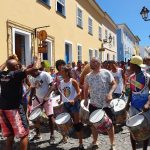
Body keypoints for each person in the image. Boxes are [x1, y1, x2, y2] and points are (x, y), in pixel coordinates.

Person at [0, 55, 40, 150]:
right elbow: (35, 68)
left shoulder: (2, 74)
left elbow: (1, 68)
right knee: (24, 135)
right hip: (14, 109)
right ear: (16, 67)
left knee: (9, 136)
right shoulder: (16, 74)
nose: (19, 66)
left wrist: (7, 61)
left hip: (3, 109)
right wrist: (37, 59)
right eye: (18, 65)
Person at [84, 57, 117, 150]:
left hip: (106, 104)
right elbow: (85, 89)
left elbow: (114, 84)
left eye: (94, 62)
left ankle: (112, 144)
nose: (92, 64)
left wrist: (110, 93)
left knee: (110, 125)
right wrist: (86, 99)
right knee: (93, 125)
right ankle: (95, 142)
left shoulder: (106, 73)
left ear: (99, 63)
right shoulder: (88, 76)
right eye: (91, 62)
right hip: (94, 104)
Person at [126, 55, 150, 150]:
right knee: (132, 129)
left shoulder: (147, 77)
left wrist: (148, 104)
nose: (129, 65)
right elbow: (131, 92)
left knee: (145, 130)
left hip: (144, 109)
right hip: (134, 108)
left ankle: (144, 149)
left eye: (130, 64)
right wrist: (127, 103)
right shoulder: (131, 77)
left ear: (135, 65)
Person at [59, 65, 84, 150]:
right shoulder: (61, 82)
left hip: (74, 104)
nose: (60, 72)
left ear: (66, 72)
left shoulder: (73, 81)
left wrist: (74, 100)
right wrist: (60, 100)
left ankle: (80, 143)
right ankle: (65, 136)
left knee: (77, 124)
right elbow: (62, 93)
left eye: (62, 71)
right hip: (66, 104)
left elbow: (79, 92)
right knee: (64, 122)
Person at [29, 68, 55, 144]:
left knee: (50, 116)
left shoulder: (45, 75)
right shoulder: (32, 77)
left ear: (35, 70)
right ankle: (38, 134)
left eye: (32, 73)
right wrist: (30, 99)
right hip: (37, 99)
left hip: (47, 99)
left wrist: (46, 96)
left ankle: (52, 135)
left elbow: (52, 86)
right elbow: (33, 89)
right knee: (35, 117)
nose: (31, 75)